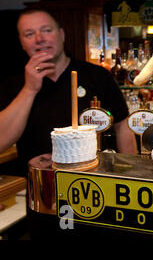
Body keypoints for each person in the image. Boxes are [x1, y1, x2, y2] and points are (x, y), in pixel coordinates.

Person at [0, 9, 137, 176]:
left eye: (46, 30)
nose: (39, 39)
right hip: (39, 185)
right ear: (22, 43)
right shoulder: (13, 84)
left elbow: (123, 127)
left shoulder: (96, 76)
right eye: (29, 34)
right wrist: (30, 89)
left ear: (62, 35)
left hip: (93, 182)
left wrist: (131, 175)